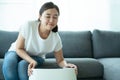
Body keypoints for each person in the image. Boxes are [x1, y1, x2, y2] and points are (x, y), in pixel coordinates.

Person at [2, 2, 78, 80]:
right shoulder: (29, 25)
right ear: (40, 16)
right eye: (48, 16)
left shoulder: (56, 38)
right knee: (9, 65)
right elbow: (19, 48)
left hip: (36, 56)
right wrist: (31, 61)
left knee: (23, 65)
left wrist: (66, 65)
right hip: (16, 51)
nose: (51, 20)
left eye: (55, 17)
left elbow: (60, 60)